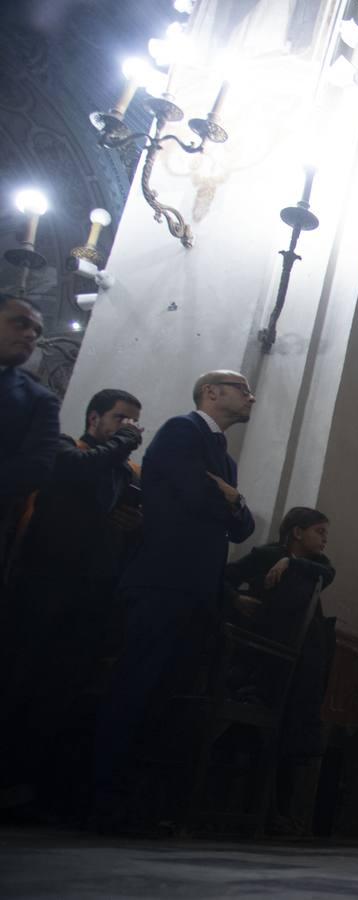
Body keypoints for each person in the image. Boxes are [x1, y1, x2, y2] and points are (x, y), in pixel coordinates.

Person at [91, 370, 257, 830]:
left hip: (195, 591)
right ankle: (103, 798)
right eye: (242, 390)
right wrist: (226, 501)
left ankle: (139, 803)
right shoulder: (181, 430)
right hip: (163, 580)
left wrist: (231, 497)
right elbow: (193, 496)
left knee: (166, 695)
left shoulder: (224, 457)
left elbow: (243, 527)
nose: (251, 397)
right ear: (212, 392)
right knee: (135, 687)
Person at [0, 389, 144, 816]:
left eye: (135, 421)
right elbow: (74, 472)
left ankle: (29, 788)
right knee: (21, 680)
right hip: (45, 583)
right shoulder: (67, 448)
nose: (130, 427)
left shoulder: (122, 473)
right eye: (121, 419)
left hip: (91, 592)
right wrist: (124, 444)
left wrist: (133, 524)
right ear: (94, 417)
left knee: (60, 690)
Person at [223, 506, 336, 835]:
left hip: (297, 662)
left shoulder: (316, 566)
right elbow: (228, 576)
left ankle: (279, 808)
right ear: (297, 532)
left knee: (293, 723)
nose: (325, 539)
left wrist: (291, 563)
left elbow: (327, 574)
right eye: (319, 532)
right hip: (261, 657)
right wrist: (235, 600)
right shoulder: (265, 556)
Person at [0, 294, 60, 580]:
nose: (30, 335)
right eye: (20, 324)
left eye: (36, 331)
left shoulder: (39, 400)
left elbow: (36, 468)